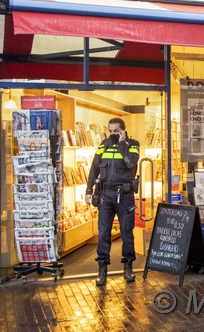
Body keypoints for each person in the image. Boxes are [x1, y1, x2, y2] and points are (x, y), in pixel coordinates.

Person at [85, 118, 140, 286]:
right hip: (106, 194)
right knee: (103, 233)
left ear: (123, 131)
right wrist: (88, 191)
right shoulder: (104, 144)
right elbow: (94, 168)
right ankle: (102, 270)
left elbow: (131, 163)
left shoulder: (132, 144)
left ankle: (128, 268)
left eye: (116, 131)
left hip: (124, 195)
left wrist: (123, 143)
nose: (112, 134)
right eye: (110, 131)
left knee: (126, 232)